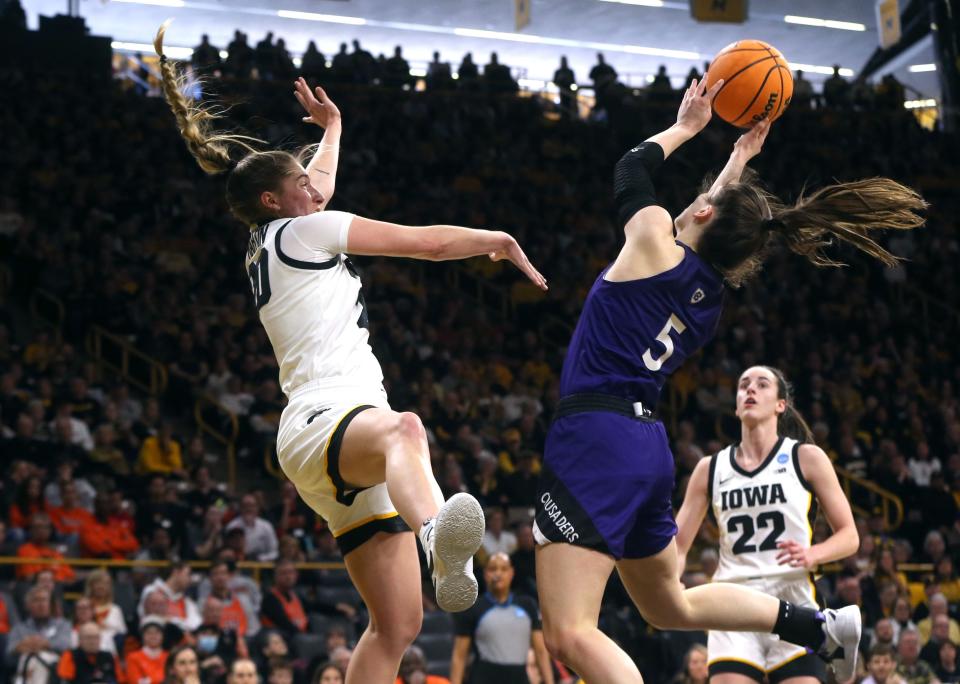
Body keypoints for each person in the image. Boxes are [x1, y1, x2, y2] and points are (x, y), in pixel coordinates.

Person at [155, 24, 545, 684]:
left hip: (317, 445)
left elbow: (318, 187)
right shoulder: (306, 228)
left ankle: (435, 544)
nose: (317, 181)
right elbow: (421, 244)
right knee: (406, 430)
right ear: (277, 200)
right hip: (328, 417)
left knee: (397, 626)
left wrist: (333, 127)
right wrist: (494, 239)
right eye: (302, 178)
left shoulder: (277, 233)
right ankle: (438, 543)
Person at [531, 76, 925, 684]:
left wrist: (688, 126)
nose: (691, 204)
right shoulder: (706, 294)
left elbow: (630, 168)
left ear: (703, 212)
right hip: (645, 446)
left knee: (569, 632)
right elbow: (706, 221)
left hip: (595, 438)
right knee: (672, 606)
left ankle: (811, 628)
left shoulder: (654, 239)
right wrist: (737, 159)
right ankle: (814, 626)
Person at [676, 366, 858, 682]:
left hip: (793, 596)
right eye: (743, 385)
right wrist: (671, 579)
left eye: (762, 385)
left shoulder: (806, 458)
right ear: (735, 406)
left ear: (780, 404)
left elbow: (849, 536)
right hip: (733, 601)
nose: (750, 390)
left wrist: (814, 554)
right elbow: (678, 545)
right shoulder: (710, 468)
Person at [450, 553, 553, 684]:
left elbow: (541, 651)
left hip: (519, 679)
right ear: (486, 573)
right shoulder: (473, 608)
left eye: (504, 569)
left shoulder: (528, 606)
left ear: (511, 573)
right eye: (493, 569)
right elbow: (459, 655)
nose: (498, 574)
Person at [57, 622, 123, 684]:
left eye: (96, 637)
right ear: (80, 639)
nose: (92, 641)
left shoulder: (109, 656)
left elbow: (121, 681)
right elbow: (65, 680)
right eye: (88, 637)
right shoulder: (70, 656)